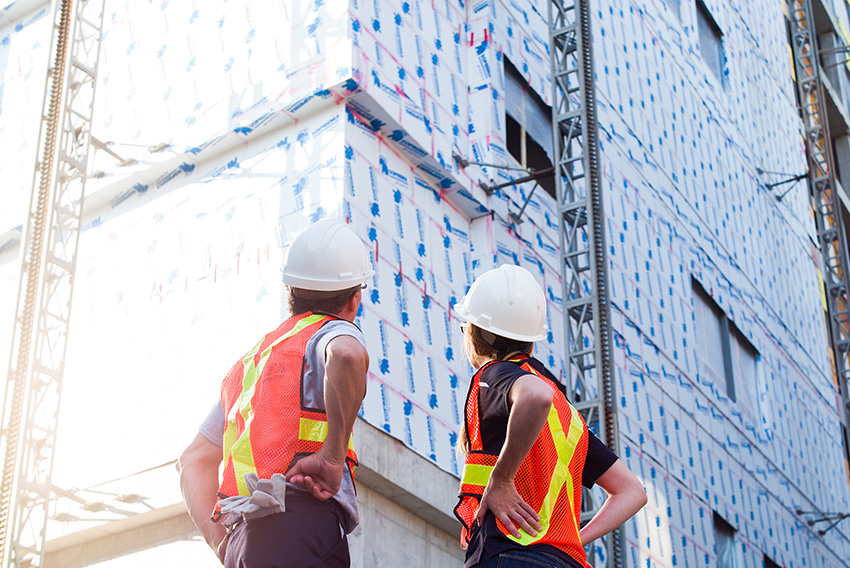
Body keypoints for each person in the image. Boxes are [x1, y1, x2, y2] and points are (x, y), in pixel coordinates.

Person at [177, 219, 373, 568]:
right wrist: (331, 457)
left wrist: (223, 545)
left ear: (289, 294)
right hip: (298, 523)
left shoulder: (250, 363)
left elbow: (192, 461)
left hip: (245, 537)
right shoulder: (331, 332)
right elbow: (348, 354)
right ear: (354, 300)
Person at [453, 264, 647, 568]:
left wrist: (501, 480)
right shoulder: (567, 414)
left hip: (509, 552)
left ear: (481, 333)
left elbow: (534, 396)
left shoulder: (497, 375)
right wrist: (570, 542)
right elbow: (632, 491)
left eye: (466, 326)